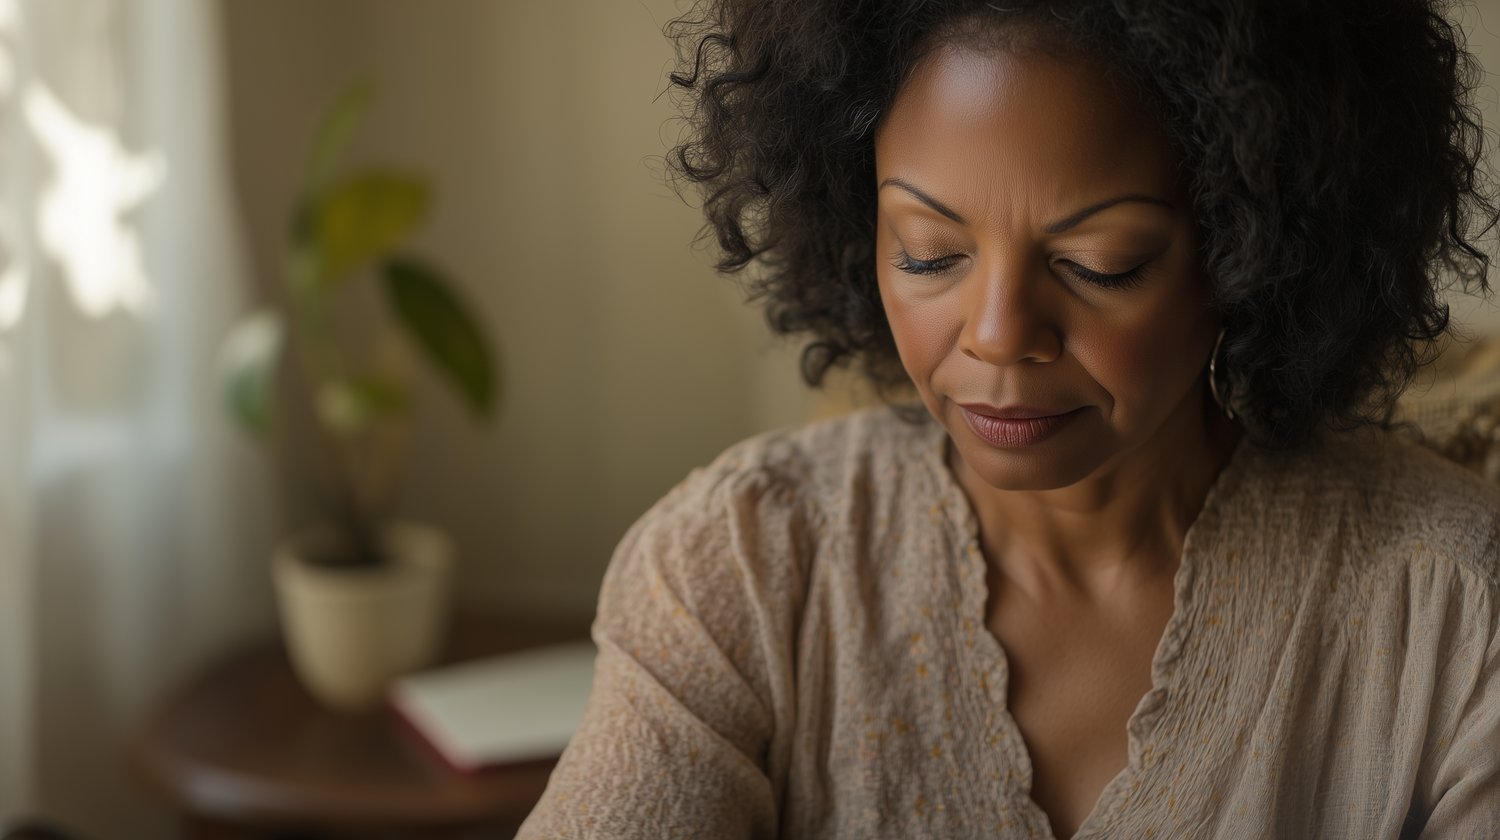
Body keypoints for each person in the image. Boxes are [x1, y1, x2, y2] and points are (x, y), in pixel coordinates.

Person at [517, 1, 1500, 837]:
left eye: (1103, 262)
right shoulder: (742, 565)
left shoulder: (1450, 606)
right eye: (930, 253)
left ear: (1251, 250)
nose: (997, 335)